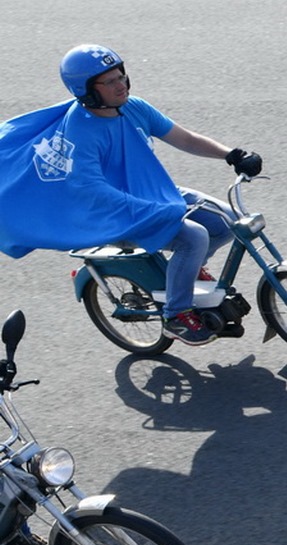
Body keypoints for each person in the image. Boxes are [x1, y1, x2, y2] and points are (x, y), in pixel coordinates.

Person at [0, 44, 263, 346]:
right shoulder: (80, 133)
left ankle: (182, 274)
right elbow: (94, 192)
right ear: (87, 90)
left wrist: (232, 155)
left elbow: (185, 139)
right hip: (116, 214)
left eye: (121, 75)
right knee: (194, 238)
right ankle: (176, 315)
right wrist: (152, 210)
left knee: (227, 221)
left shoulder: (134, 107)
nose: (121, 84)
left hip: (153, 195)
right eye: (110, 81)